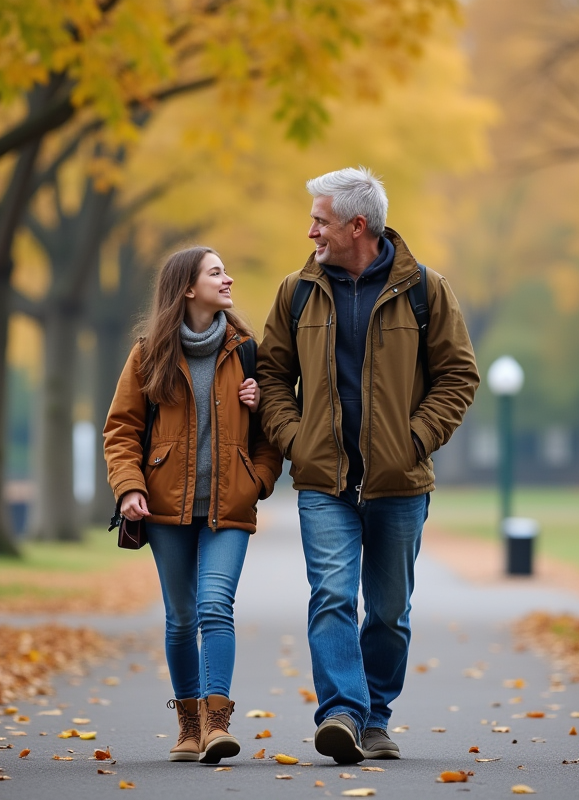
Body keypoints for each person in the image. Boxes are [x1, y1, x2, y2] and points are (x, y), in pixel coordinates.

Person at [257, 167, 480, 764]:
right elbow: (272, 375)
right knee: (331, 595)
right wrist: (294, 438)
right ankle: (342, 715)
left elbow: (459, 376)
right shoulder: (296, 291)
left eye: (320, 220)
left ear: (358, 226)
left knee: (387, 612)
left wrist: (415, 438)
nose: (311, 232)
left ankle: (375, 718)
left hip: (399, 481)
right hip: (323, 480)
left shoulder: (425, 291)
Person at [104, 246, 282, 764]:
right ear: (187, 287)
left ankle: (217, 724)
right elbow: (122, 430)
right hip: (166, 512)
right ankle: (187, 727)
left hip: (229, 507)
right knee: (181, 618)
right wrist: (129, 487)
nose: (228, 279)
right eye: (216, 272)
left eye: (226, 270)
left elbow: (273, 434)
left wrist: (259, 479)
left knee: (213, 607)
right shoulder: (148, 354)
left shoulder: (249, 351)